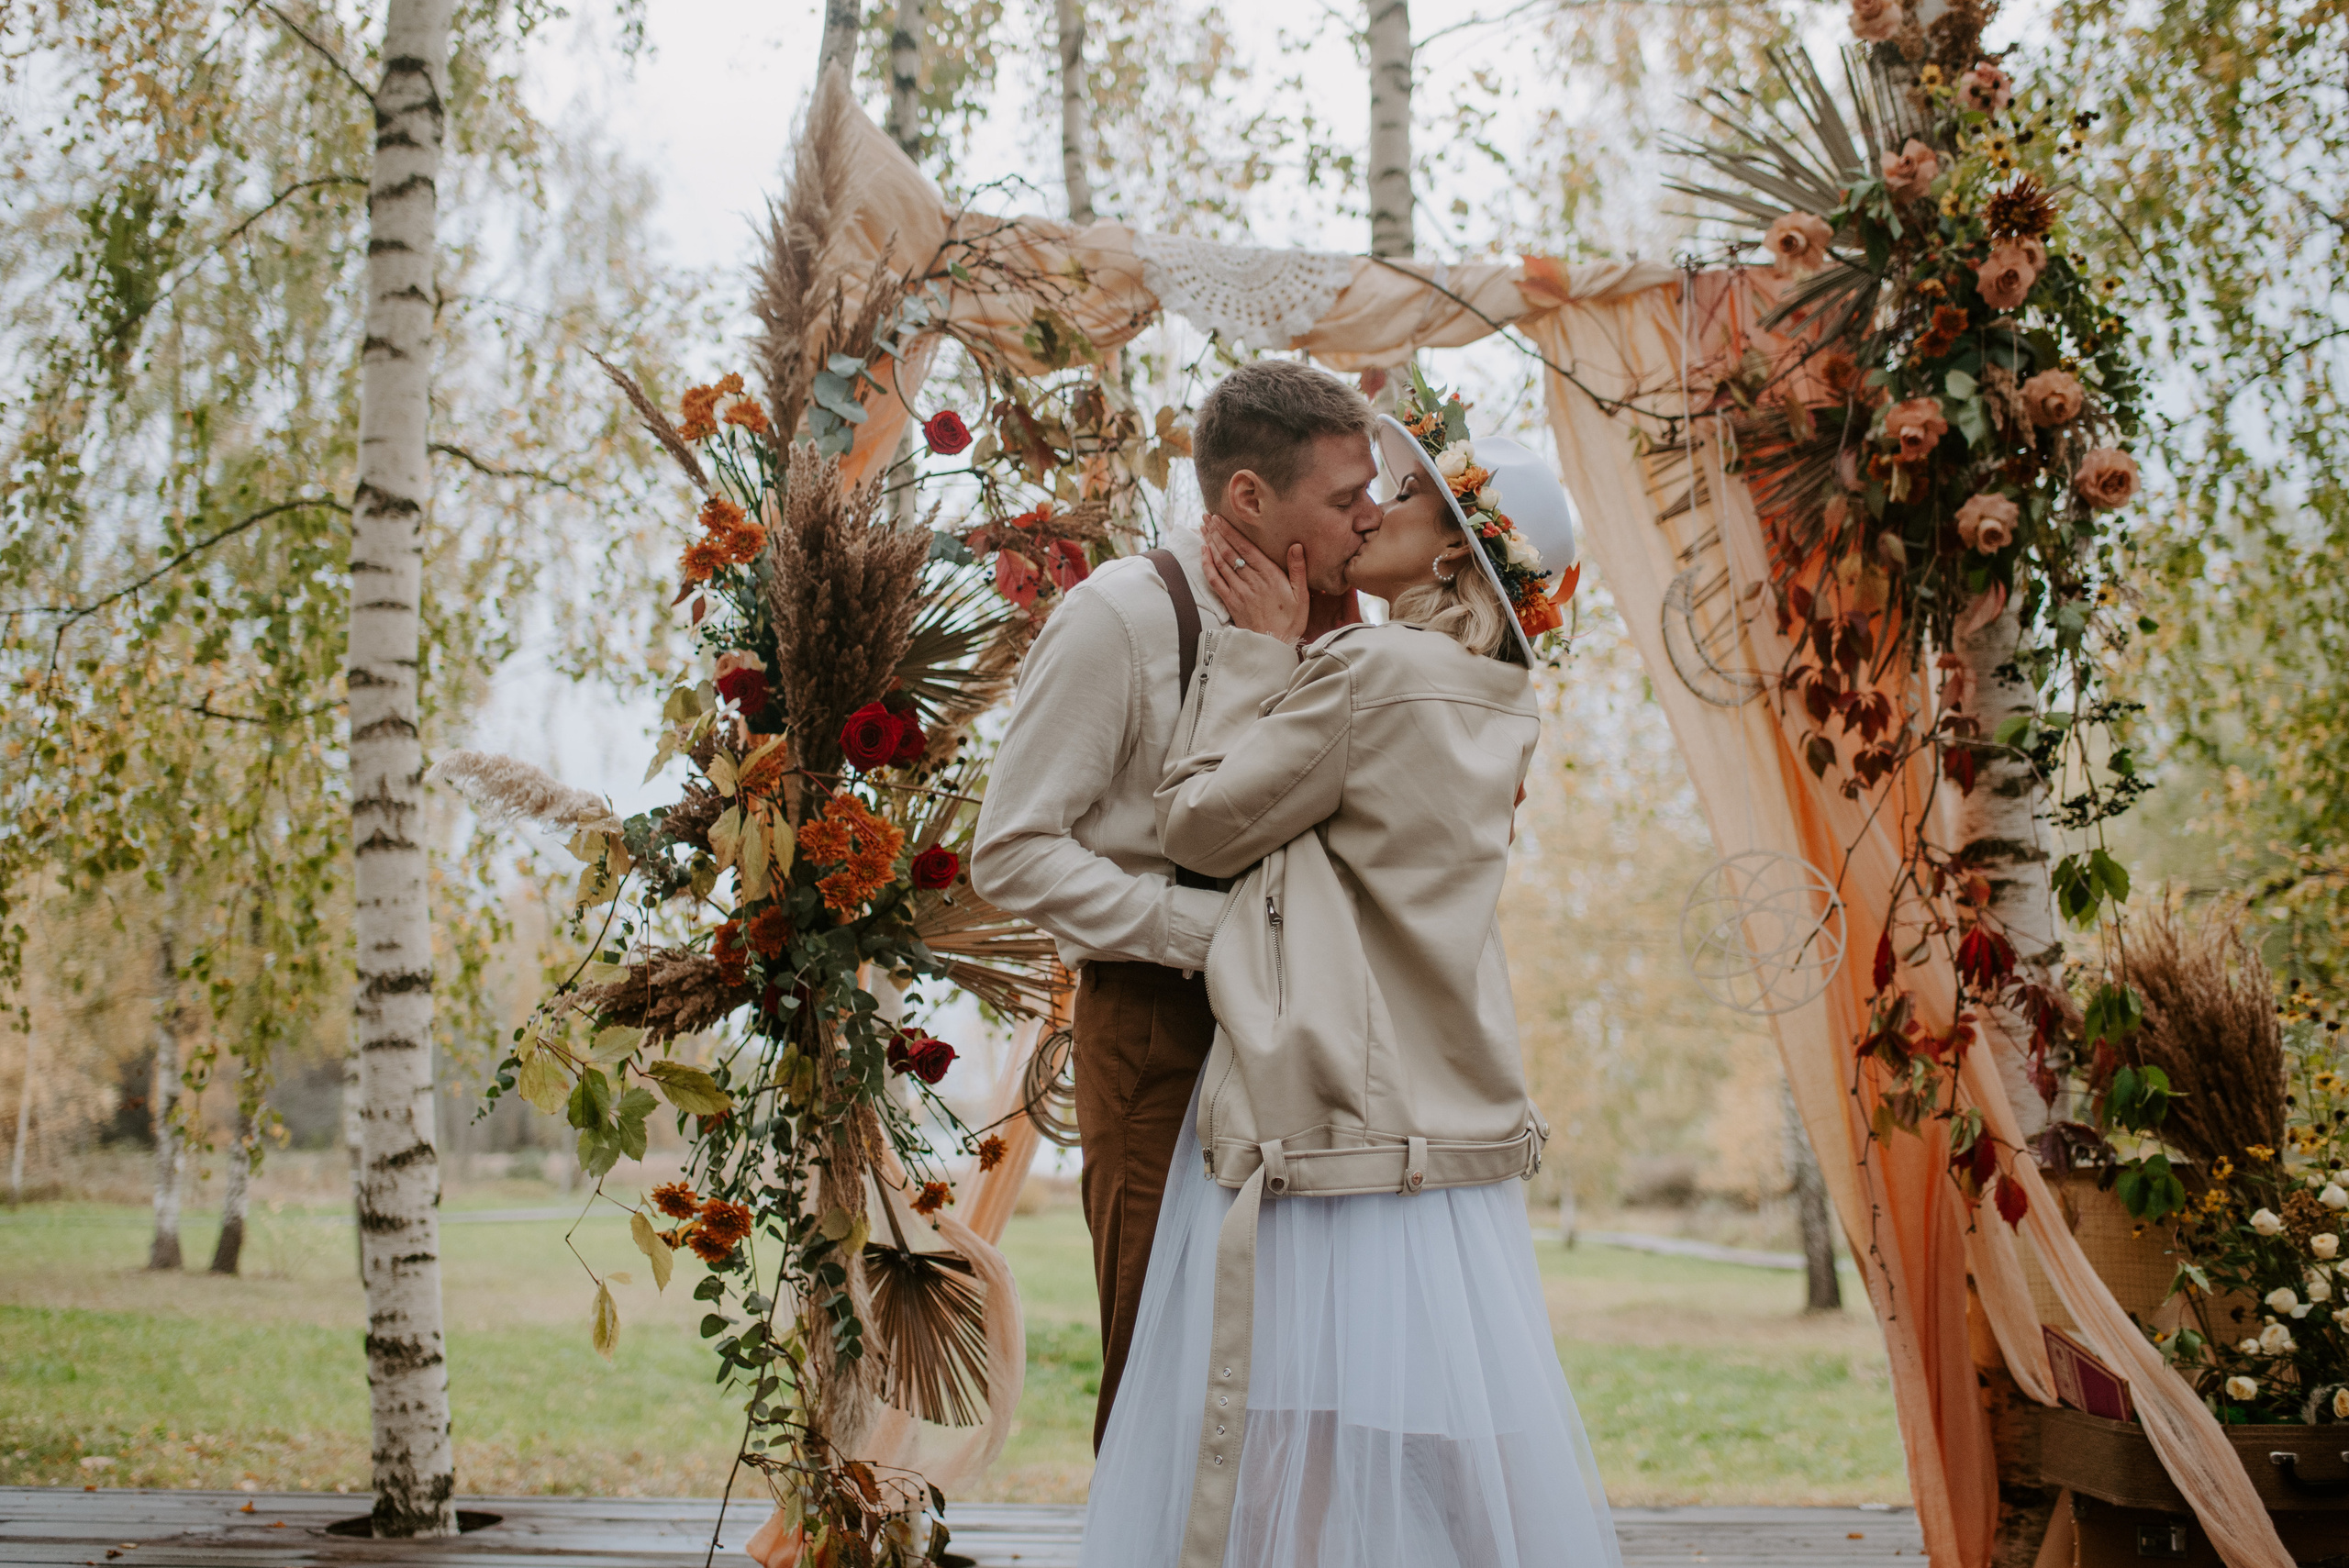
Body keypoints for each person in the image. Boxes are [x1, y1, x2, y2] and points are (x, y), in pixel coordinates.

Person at [1077, 382, 1621, 1568]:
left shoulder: (1369, 676)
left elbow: (1200, 825)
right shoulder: (1498, 699)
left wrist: (1254, 655)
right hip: (1441, 1125)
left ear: (1461, 558)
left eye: (1412, 497)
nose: (1374, 510)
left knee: (1285, 1437)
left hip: (1324, 1113)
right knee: (1439, 1440)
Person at [970, 358, 1382, 1451]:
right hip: (1160, 1028)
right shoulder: (1117, 617)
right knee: (1166, 1362)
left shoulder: (1354, 624)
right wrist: (1203, 935)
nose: (1370, 517)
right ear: (1247, 498)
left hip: (1306, 1034)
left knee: (1303, 1373)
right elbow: (1009, 849)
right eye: (1346, 497)